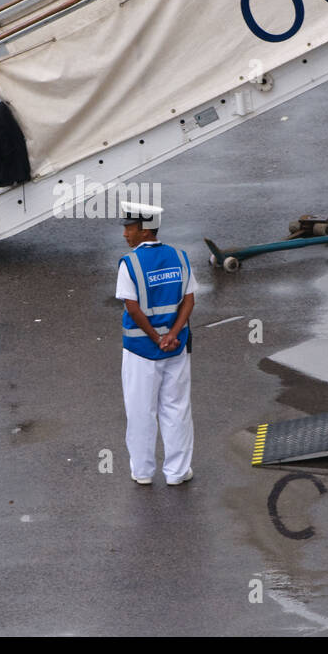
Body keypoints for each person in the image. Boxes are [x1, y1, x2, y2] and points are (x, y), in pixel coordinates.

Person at [116, 201, 196, 486]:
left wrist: (156, 337)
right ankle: (177, 472)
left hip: (141, 352)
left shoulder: (130, 263)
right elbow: (189, 300)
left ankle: (143, 472)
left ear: (145, 229)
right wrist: (172, 334)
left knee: (140, 411)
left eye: (129, 227)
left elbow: (133, 308)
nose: (125, 233)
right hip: (176, 349)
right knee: (176, 409)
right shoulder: (180, 257)